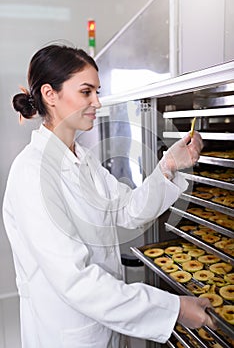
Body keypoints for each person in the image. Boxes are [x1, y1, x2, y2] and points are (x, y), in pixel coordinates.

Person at [2, 44, 216, 348]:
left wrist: (168, 165)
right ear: (51, 94)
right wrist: (174, 309)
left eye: (96, 92)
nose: (97, 102)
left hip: (105, 325)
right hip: (66, 333)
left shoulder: (83, 160)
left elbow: (127, 209)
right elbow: (75, 281)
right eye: (87, 92)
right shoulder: (31, 173)